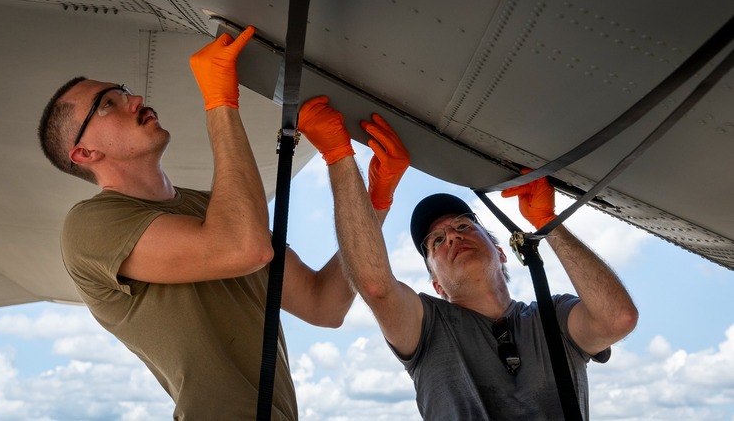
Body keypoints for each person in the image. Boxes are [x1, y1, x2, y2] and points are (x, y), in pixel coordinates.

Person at [37, 27, 360, 420]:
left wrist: (374, 195)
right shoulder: (88, 227)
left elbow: (323, 304)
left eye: (123, 91)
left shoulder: (217, 210)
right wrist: (220, 102)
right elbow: (245, 247)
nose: (134, 99)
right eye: (107, 104)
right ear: (85, 152)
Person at [296, 96, 639, 420]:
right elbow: (375, 285)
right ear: (436, 284)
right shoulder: (427, 326)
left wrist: (549, 226)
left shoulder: (554, 318)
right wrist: (339, 156)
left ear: (501, 252)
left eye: (463, 225)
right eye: (437, 241)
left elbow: (617, 318)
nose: (454, 236)